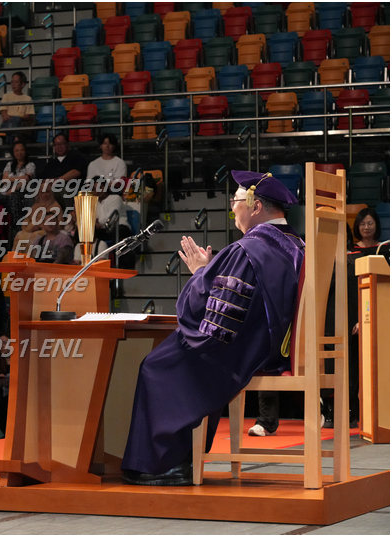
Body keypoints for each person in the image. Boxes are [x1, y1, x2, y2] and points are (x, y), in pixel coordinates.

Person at [120, 171, 304, 486]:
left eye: (236, 201)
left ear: (256, 205)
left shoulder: (250, 249)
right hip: (268, 346)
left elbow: (214, 322)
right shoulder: (295, 244)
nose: (232, 208)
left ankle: (168, 463)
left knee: (155, 365)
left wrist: (199, 273)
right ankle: (184, 456)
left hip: (241, 348)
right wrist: (209, 273)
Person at [341, 208, 390, 427]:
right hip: (354, 314)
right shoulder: (350, 254)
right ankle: (354, 411)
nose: (366, 227)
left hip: (380, 312)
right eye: (362, 223)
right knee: (353, 366)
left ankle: (379, 414)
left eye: (370, 223)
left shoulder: (384, 250)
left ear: (376, 225)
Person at [0, 71, 34, 145]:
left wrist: (14, 117)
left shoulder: (28, 99)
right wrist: (16, 117)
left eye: (16, 82)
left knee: (16, 120)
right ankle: (15, 138)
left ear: (22, 84)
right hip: (7, 124)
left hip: (21, 125)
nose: (13, 84)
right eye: (12, 82)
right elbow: (4, 116)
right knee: (14, 122)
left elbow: (27, 117)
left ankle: (11, 143)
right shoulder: (6, 96)